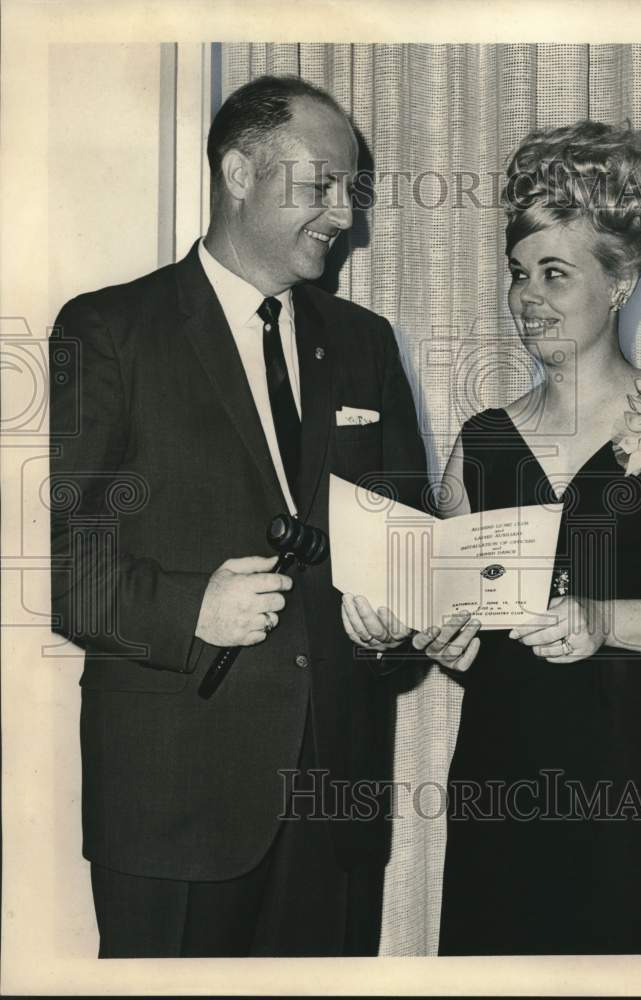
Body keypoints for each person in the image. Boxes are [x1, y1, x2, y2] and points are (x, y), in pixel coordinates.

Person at [48, 74, 432, 958]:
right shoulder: (109, 329)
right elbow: (63, 568)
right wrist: (193, 609)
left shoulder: (366, 344)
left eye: (350, 189)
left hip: (333, 801)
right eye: (320, 184)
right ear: (237, 171)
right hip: (174, 801)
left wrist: (395, 627)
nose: (343, 213)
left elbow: (410, 549)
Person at [431, 121, 641, 954]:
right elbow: (447, 611)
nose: (526, 297)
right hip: (500, 765)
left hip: (639, 771)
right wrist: (436, 636)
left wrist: (604, 621)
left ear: (617, 282)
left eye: (554, 273)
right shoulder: (480, 441)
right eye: (517, 274)